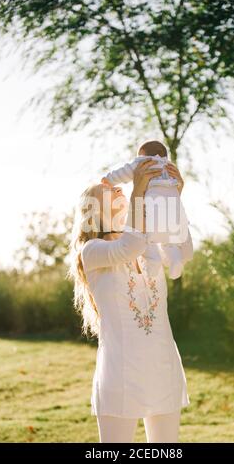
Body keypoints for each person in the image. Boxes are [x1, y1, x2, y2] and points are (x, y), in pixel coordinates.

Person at [67, 158, 194, 443]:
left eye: (120, 189)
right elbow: (128, 246)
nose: (121, 190)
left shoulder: (147, 241)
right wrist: (139, 188)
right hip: (121, 372)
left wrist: (174, 199)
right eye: (111, 191)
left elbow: (182, 251)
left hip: (163, 366)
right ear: (94, 210)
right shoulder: (92, 251)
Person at [101, 140, 190, 279]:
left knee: (147, 239)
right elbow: (176, 185)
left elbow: (123, 172)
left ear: (142, 155)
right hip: (174, 209)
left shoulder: (142, 163)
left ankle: (153, 263)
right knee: (170, 241)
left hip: (153, 207)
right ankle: (175, 260)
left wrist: (109, 179)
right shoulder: (169, 166)